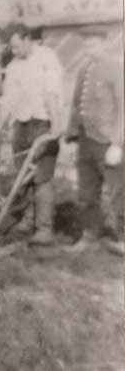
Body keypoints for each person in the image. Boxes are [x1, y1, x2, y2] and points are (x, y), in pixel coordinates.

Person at [0, 21, 64, 246]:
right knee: (22, 177)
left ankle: (44, 229)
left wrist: (56, 125)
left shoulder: (47, 58)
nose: (13, 51)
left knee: (41, 177)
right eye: (10, 48)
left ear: (26, 39)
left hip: (43, 122)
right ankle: (26, 221)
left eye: (16, 46)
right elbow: (7, 101)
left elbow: (52, 93)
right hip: (21, 125)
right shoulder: (13, 66)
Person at [63, 27, 124, 256]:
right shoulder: (84, 71)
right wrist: (71, 134)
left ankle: (123, 237)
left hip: (107, 140)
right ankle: (90, 235)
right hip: (85, 139)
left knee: (118, 191)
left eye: (93, 44)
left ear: (104, 44)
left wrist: (117, 144)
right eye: (86, 44)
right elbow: (76, 104)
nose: (89, 48)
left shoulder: (116, 68)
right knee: (86, 192)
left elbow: (123, 108)